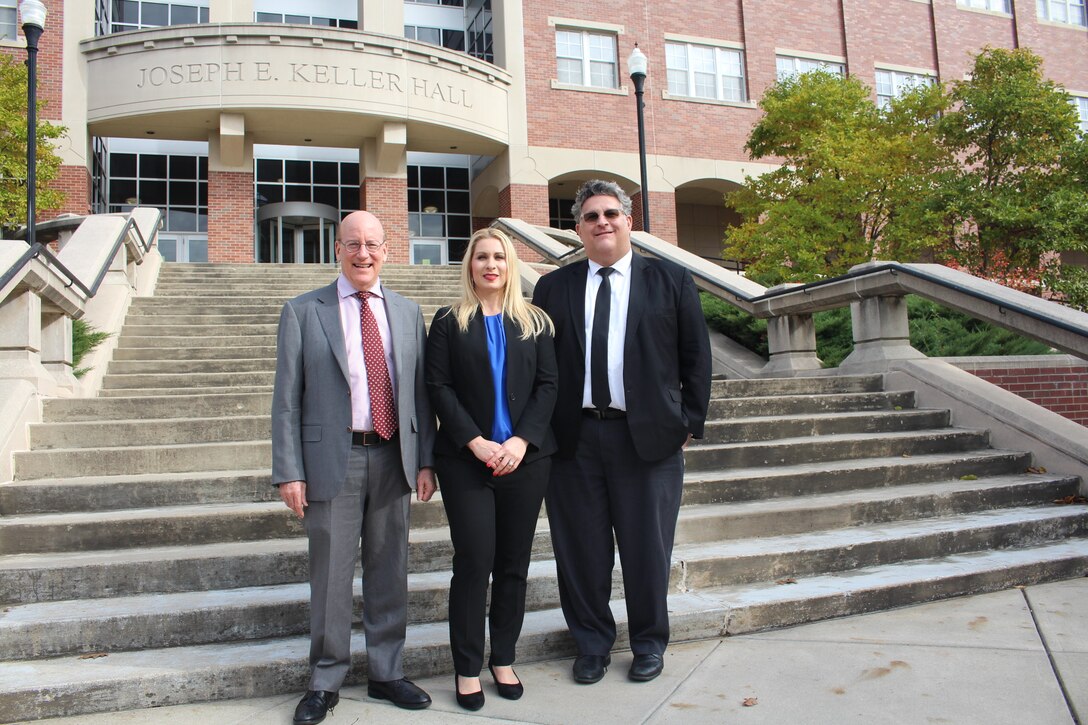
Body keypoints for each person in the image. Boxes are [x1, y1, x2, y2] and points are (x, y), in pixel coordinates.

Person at [531, 179, 712, 685]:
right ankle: (591, 644)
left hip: (648, 439)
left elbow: (696, 358)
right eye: (591, 216)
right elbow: (541, 368)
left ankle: (649, 643)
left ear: (629, 220)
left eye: (611, 213)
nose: (602, 222)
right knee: (580, 550)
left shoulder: (670, 280)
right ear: (578, 228)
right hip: (575, 440)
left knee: (647, 550)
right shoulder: (553, 288)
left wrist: (688, 423)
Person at [271, 210, 438, 725]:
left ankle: (387, 672)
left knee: (390, 569)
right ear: (337, 249)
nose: (362, 253)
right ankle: (325, 679)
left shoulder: (409, 313)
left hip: (393, 456)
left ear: (387, 249)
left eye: (372, 244)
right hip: (329, 460)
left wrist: (426, 460)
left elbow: (420, 394)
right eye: (352, 244)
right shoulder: (303, 311)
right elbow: (286, 401)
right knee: (331, 573)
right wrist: (289, 470)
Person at [425, 228, 558, 711]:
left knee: (513, 566)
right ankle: (466, 667)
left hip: (526, 461)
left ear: (511, 264)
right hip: (467, 462)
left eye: (499, 256)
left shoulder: (536, 321)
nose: (490, 265)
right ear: (470, 265)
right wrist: (476, 442)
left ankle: (502, 658)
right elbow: (438, 386)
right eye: (481, 256)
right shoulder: (448, 320)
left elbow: (548, 385)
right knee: (474, 562)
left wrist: (521, 441)